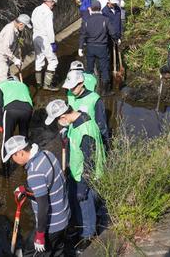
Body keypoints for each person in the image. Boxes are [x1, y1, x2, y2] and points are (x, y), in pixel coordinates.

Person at [44, 99, 105, 251]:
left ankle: (87, 236)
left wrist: (83, 187)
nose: (59, 124)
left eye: (58, 121)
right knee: (76, 202)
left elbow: (89, 162)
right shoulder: (78, 119)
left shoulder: (85, 131)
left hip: (86, 176)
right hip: (76, 172)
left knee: (85, 205)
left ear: (63, 116)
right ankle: (79, 228)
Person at [5, 136, 70, 256]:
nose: (13, 160)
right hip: (64, 215)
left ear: (20, 152)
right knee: (59, 251)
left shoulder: (34, 172)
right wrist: (26, 191)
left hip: (52, 225)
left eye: (13, 156)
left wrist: (40, 235)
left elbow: (43, 206)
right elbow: (49, 184)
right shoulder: (46, 154)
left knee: (37, 252)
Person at [78, 1, 117, 95]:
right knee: (104, 68)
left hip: (90, 48)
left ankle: (89, 89)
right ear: (100, 8)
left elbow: (82, 35)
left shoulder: (86, 20)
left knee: (89, 68)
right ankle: (105, 91)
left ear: (91, 9)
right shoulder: (105, 20)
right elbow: (112, 33)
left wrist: (80, 48)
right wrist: (117, 39)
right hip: (102, 47)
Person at [63, 70, 110, 147]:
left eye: (73, 87)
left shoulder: (94, 99)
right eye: (69, 87)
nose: (71, 90)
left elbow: (101, 124)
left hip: (89, 140)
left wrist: (105, 144)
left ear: (81, 83)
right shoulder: (69, 95)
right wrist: (65, 129)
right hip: (73, 137)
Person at [0, 76, 33, 163]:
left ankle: (5, 169)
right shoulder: (23, 85)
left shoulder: (0, 85)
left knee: (7, 138)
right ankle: (27, 164)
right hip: (27, 109)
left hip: (11, 110)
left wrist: (1, 124)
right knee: (24, 136)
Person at [32, 0, 60, 91]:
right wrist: (52, 42)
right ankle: (47, 85)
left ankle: (38, 84)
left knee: (39, 59)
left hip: (36, 36)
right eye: (54, 4)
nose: (53, 7)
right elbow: (49, 29)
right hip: (45, 38)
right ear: (51, 2)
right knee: (53, 61)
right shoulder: (48, 12)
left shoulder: (36, 9)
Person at [0, 14, 32, 83]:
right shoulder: (10, 31)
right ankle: (4, 93)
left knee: (8, 78)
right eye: (25, 26)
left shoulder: (14, 29)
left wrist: (16, 58)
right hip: (0, 58)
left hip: (5, 57)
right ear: (20, 24)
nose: (25, 29)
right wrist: (15, 59)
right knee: (4, 81)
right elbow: (5, 48)